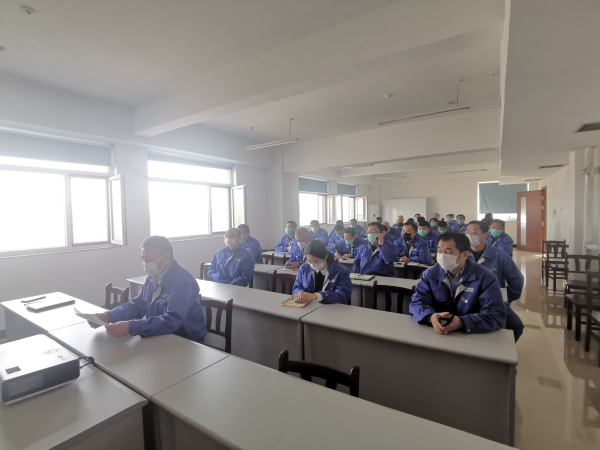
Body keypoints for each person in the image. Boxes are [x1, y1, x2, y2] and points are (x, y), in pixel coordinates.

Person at [89, 236, 207, 343]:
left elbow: (171, 321)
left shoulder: (184, 281)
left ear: (167, 256)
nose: (145, 263)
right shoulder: (152, 278)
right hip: (160, 335)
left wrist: (131, 326)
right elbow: (137, 306)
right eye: (143, 258)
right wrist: (109, 316)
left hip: (186, 341)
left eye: (149, 259)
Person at [409, 233, 506, 334]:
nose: (442, 256)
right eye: (440, 251)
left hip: (471, 335)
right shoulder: (429, 274)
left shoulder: (485, 277)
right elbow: (417, 302)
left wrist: (462, 322)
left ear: (464, 255)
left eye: (448, 252)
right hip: (438, 332)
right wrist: (430, 316)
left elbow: (495, 314)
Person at [467, 221, 524, 341]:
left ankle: (503, 349)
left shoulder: (500, 256)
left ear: (485, 235)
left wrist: (506, 299)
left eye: (474, 232)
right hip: (466, 299)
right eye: (468, 232)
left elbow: (516, 280)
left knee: (516, 325)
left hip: (493, 302)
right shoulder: (461, 255)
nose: (470, 235)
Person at [292, 240, 353, 305]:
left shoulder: (341, 271)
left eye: (315, 261)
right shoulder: (304, 268)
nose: (312, 264)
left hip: (332, 307)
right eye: (309, 261)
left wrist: (317, 296)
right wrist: (300, 293)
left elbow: (342, 295)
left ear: (325, 257)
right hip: (310, 306)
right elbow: (297, 286)